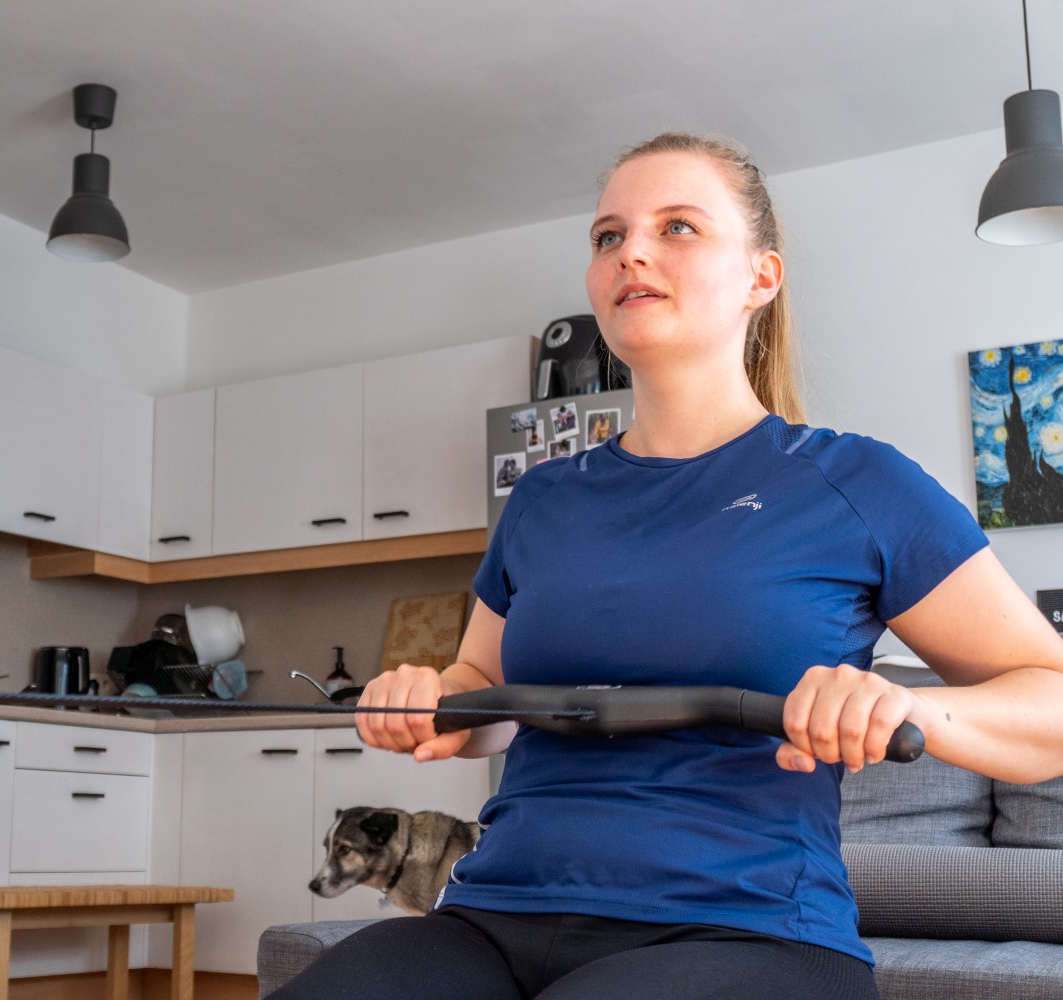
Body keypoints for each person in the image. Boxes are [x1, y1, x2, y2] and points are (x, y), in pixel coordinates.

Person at [266, 132, 1063, 1000]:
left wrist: (902, 705)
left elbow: (1049, 700)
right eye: (609, 235)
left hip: (745, 927)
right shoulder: (542, 500)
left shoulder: (856, 483)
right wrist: (431, 702)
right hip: (495, 914)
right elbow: (483, 699)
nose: (632, 251)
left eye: (677, 227)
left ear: (761, 276)